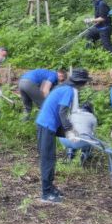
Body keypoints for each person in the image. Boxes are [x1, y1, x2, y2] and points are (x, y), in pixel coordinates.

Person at [35, 68, 92, 204]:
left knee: (50, 158)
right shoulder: (68, 91)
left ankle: (50, 187)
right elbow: (62, 112)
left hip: (47, 124)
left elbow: (64, 113)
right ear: (82, 83)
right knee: (48, 159)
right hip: (46, 125)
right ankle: (46, 193)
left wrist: (71, 130)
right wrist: (69, 130)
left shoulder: (64, 88)